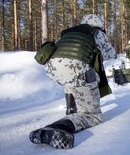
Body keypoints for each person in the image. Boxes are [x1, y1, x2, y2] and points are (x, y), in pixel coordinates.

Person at [29, 14, 116, 149]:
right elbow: (111, 53)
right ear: (99, 24)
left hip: (52, 69)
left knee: (71, 76)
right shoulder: (97, 32)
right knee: (93, 115)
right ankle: (55, 128)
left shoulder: (69, 32)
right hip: (78, 70)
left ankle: (71, 109)